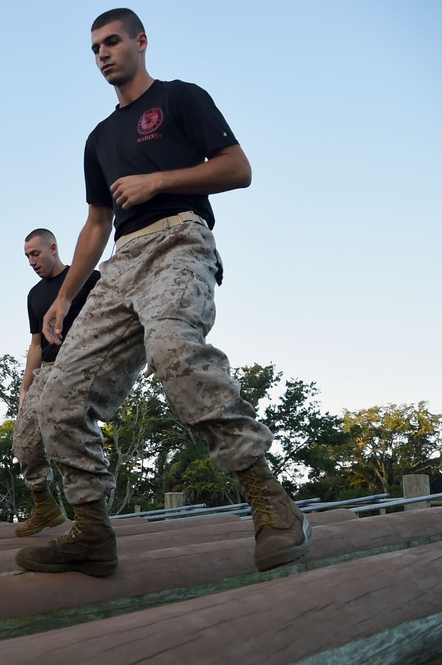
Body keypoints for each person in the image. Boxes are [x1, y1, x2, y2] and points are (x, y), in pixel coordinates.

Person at [16, 8, 311, 577]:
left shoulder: (180, 98)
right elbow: (97, 224)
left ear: (140, 41)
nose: (103, 53)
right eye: (94, 47)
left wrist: (159, 181)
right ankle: (92, 533)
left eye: (112, 42)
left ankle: (273, 505)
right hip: (122, 262)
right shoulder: (98, 138)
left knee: (172, 351)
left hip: (179, 239)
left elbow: (238, 168)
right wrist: (62, 298)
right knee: (57, 398)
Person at [14, 229, 99, 537]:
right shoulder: (34, 296)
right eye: (26, 257)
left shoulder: (88, 278)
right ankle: (45, 507)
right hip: (46, 370)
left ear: (53, 248)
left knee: (66, 433)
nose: (31, 261)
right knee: (23, 442)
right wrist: (24, 388)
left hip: (79, 365)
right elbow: (36, 345)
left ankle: (89, 519)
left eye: (35, 253)